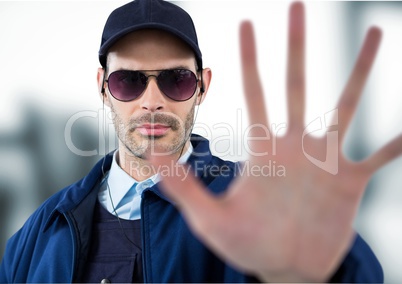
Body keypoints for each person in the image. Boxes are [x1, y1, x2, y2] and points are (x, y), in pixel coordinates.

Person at [1, 0, 401, 282]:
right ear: (103, 87)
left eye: (177, 80)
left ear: (202, 87)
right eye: (129, 81)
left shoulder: (256, 202)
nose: (152, 102)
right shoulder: (40, 231)